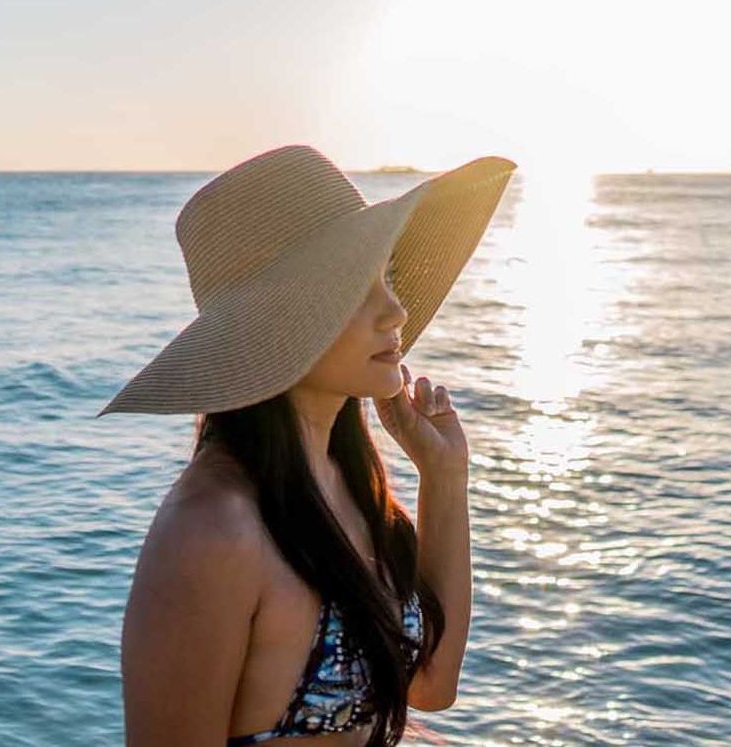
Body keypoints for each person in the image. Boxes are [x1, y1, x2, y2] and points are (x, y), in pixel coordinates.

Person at [96, 144, 517, 746]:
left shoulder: (344, 479)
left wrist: (445, 476)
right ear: (276, 321)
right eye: (355, 286)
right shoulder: (212, 530)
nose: (395, 309)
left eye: (388, 277)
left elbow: (431, 684)